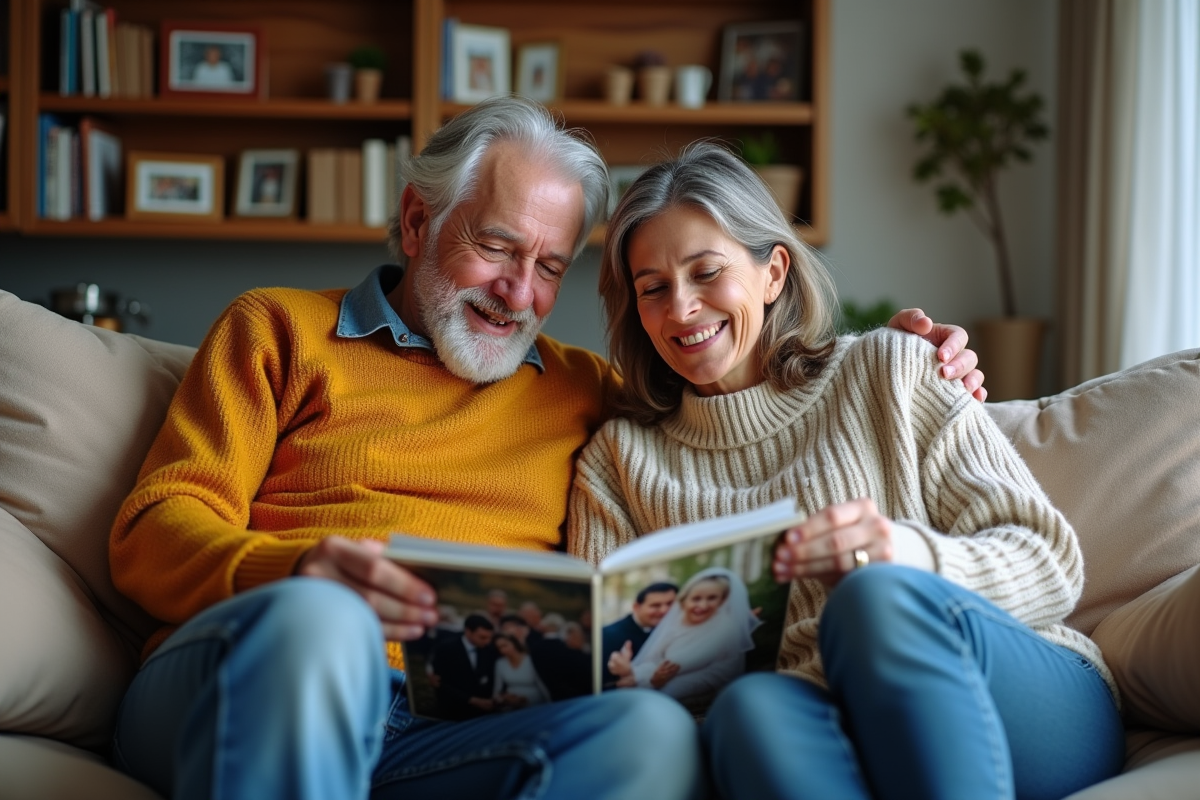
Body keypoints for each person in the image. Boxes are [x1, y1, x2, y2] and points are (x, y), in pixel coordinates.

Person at [107, 95, 981, 800]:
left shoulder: (586, 391)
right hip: (256, 671)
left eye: (551, 266)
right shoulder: (277, 331)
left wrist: (896, 353)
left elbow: (738, 404)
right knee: (323, 620)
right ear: (417, 223)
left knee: (648, 733)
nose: (519, 292)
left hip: (450, 723)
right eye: (495, 246)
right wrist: (294, 572)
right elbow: (152, 532)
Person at [567, 142, 1125, 800]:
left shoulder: (889, 369)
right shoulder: (619, 462)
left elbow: (1050, 562)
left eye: (706, 272)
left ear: (773, 272)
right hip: (822, 720)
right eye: (652, 289)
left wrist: (908, 555)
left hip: (1018, 697)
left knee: (873, 595)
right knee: (746, 711)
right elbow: (609, 683)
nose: (681, 309)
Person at [608, 569, 759, 701]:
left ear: (722, 600)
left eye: (712, 598)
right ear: (684, 600)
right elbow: (657, 660)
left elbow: (675, 664)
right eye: (696, 599)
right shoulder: (677, 621)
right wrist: (631, 671)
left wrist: (635, 675)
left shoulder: (725, 628)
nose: (703, 605)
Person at [600, 581, 677, 688]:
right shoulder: (608, 636)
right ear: (636, 607)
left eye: (670, 604)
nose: (664, 610)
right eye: (655, 605)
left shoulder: (674, 629)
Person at [428, 614, 498, 720]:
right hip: (452, 710)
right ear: (468, 632)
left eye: (489, 638)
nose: (487, 641)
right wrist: (471, 700)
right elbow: (440, 683)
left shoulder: (490, 650)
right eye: (482, 637)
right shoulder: (446, 649)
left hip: (483, 713)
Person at [492, 633, 552, 709]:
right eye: (499, 648)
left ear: (514, 643)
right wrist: (499, 700)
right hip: (511, 704)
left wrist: (549, 703)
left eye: (505, 645)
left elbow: (541, 685)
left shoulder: (530, 660)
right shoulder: (500, 663)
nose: (503, 650)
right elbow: (497, 688)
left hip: (534, 701)